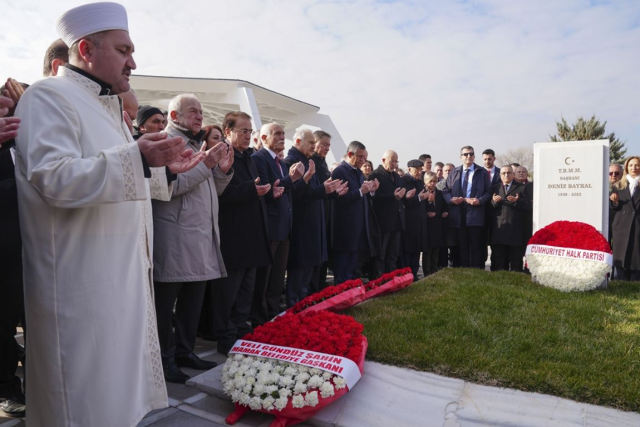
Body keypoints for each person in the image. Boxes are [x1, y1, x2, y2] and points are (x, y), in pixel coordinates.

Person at [13, 4, 204, 426]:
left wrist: (161, 169)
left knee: (118, 400)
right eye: (124, 50)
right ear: (86, 48)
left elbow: (124, 173)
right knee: (82, 402)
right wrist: (138, 159)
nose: (133, 62)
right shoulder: (47, 96)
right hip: (79, 286)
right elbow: (54, 178)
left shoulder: (107, 107)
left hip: (120, 279)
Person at [152, 94, 233, 383]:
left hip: (199, 237)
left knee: (192, 303)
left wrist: (221, 173)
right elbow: (170, 188)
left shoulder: (196, 144)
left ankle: (185, 352)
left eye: (200, 111)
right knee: (166, 306)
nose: (199, 116)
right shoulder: (165, 143)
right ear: (174, 116)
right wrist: (207, 165)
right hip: (175, 237)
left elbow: (211, 192)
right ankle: (164, 359)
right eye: (192, 111)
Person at [214, 111, 272, 356]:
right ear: (228, 132)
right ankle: (225, 336)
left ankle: (241, 330)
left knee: (246, 288)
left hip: (252, 234)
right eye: (243, 130)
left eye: (250, 131)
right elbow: (222, 194)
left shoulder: (248, 157)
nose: (248, 136)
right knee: (229, 290)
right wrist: (252, 190)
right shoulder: (222, 155)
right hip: (233, 234)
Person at [284, 129, 345, 306]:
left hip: (313, 225)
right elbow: (295, 195)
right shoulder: (292, 161)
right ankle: (294, 311)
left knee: (308, 274)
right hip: (301, 226)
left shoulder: (310, 161)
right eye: (311, 143)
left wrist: (332, 191)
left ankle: (303, 309)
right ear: (297, 142)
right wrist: (322, 189)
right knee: (298, 274)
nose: (313, 146)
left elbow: (316, 193)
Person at [251, 123, 304, 322]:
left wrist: (295, 180)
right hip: (270, 228)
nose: (283, 137)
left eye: (283, 133)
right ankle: (260, 318)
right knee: (264, 277)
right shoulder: (259, 158)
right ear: (264, 138)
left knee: (277, 276)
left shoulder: (280, 162)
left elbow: (285, 190)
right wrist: (292, 179)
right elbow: (267, 190)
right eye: (277, 134)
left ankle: (273, 314)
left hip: (284, 227)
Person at [0, 95, 24, 419]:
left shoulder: (27, 141)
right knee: (4, 322)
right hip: (4, 251)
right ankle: (6, 388)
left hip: (34, 247)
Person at [331, 141, 379, 285]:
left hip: (358, 225)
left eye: (365, 157)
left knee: (352, 266)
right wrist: (360, 191)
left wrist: (372, 190)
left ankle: (349, 293)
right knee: (342, 266)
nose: (363, 161)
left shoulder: (358, 172)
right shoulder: (340, 171)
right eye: (360, 157)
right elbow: (340, 198)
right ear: (350, 154)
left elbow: (363, 196)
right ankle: (339, 294)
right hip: (345, 226)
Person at [442, 146, 491, 269]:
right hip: (458, 213)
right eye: (465, 154)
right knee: (462, 244)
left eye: (471, 154)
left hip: (475, 213)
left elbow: (489, 191)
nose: (468, 156)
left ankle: (475, 269)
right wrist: (451, 200)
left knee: (475, 244)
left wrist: (479, 201)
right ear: (461, 157)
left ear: (474, 156)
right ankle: (464, 268)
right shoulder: (454, 172)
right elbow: (446, 190)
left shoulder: (482, 172)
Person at [489, 166, 531, 272]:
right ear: (500, 175)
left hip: (515, 230)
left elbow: (529, 207)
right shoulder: (494, 188)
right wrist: (493, 201)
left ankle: (515, 283)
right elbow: (487, 208)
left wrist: (517, 201)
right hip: (498, 230)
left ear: (513, 175)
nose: (506, 175)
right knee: (498, 260)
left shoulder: (522, 187)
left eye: (509, 173)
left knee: (515, 260)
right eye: (504, 173)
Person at [610, 156, 640, 281]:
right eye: (631, 165)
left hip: (638, 228)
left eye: (637, 165)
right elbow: (613, 208)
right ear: (626, 167)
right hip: (621, 229)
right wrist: (614, 202)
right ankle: (620, 284)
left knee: (636, 259)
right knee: (621, 260)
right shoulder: (618, 186)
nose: (634, 168)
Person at [401, 160, 426, 280]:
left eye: (421, 169)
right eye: (417, 169)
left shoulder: (420, 181)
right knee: (408, 250)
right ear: (409, 169)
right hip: (408, 220)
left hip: (419, 220)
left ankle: (414, 274)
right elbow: (405, 201)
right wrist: (419, 198)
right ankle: (407, 274)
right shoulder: (404, 181)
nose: (419, 172)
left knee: (417, 249)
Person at [422, 172, 448, 276]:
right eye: (430, 182)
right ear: (425, 182)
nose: (432, 184)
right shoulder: (422, 193)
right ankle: (427, 273)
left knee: (436, 251)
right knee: (427, 251)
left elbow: (444, 207)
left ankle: (433, 272)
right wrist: (428, 207)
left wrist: (445, 213)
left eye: (434, 181)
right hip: (427, 226)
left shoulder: (440, 193)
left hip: (438, 226)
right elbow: (420, 209)